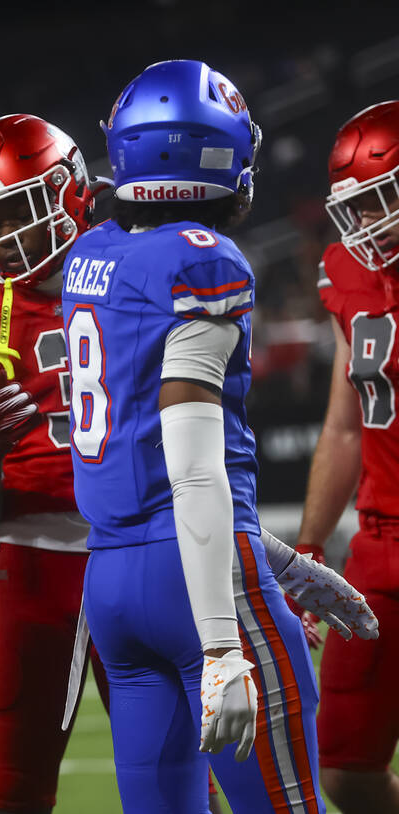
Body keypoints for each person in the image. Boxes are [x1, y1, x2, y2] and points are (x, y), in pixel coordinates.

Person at [62, 59, 376, 813]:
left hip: (111, 584)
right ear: (211, 156)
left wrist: (282, 558)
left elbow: (143, 460)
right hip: (203, 589)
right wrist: (221, 646)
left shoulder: (92, 253)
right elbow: (192, 470)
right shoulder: (200, 259)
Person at [0, 113, 124, 814]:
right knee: (15, 791)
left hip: (142, 550)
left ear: (70, 192)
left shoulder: (138, 270)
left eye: (20, 209)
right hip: (36, 560)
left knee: (181, 782)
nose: (4, 236)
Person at [299, 99, 399, 814]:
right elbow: (342, 426)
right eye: (356, 209)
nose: (366, 227)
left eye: (380, 203)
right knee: (344, 768)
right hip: (380, 542)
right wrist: (309, 548)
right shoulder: (347, 271)